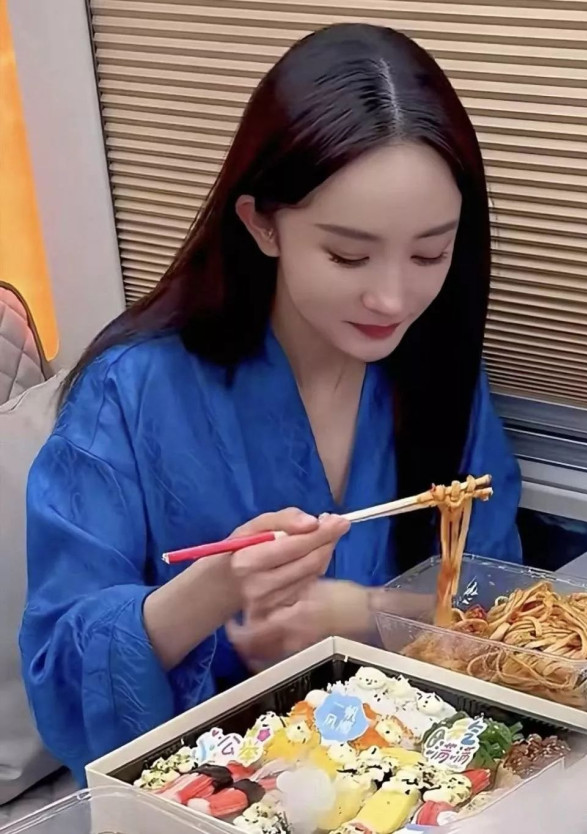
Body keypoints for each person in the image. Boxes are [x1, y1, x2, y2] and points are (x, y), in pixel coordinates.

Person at [20, 23, 522, 784]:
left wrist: (364, 612)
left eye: (430, 253)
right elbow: (59, 671)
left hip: (417, 784)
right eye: (348, 254)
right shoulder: (132, 392)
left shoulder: (436, 368)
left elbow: (501, 606)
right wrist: (210, 592)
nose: (393, 298)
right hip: (203, 798)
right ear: (261, 223)